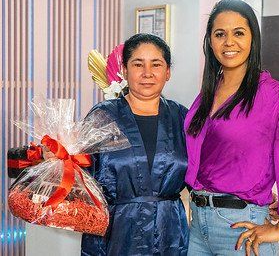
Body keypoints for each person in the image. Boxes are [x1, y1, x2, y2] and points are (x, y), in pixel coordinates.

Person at [9, 33, 189, 255]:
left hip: (169, 232)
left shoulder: (183, 117)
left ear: (168, 71)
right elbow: (82, 168)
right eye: (138, 64)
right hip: (115, 232)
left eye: (156, 64)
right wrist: (58, 157)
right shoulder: (103, 115)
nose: (147, 73)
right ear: (124, 70)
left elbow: (202, 171)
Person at [184, 0, 279, 256]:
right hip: (197, 226)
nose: (229, 42)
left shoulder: (275, 98)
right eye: (220, 34)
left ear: (253, 39)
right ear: (210, 41)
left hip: (241, 229)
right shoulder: (208, 93)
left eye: (239, 33)